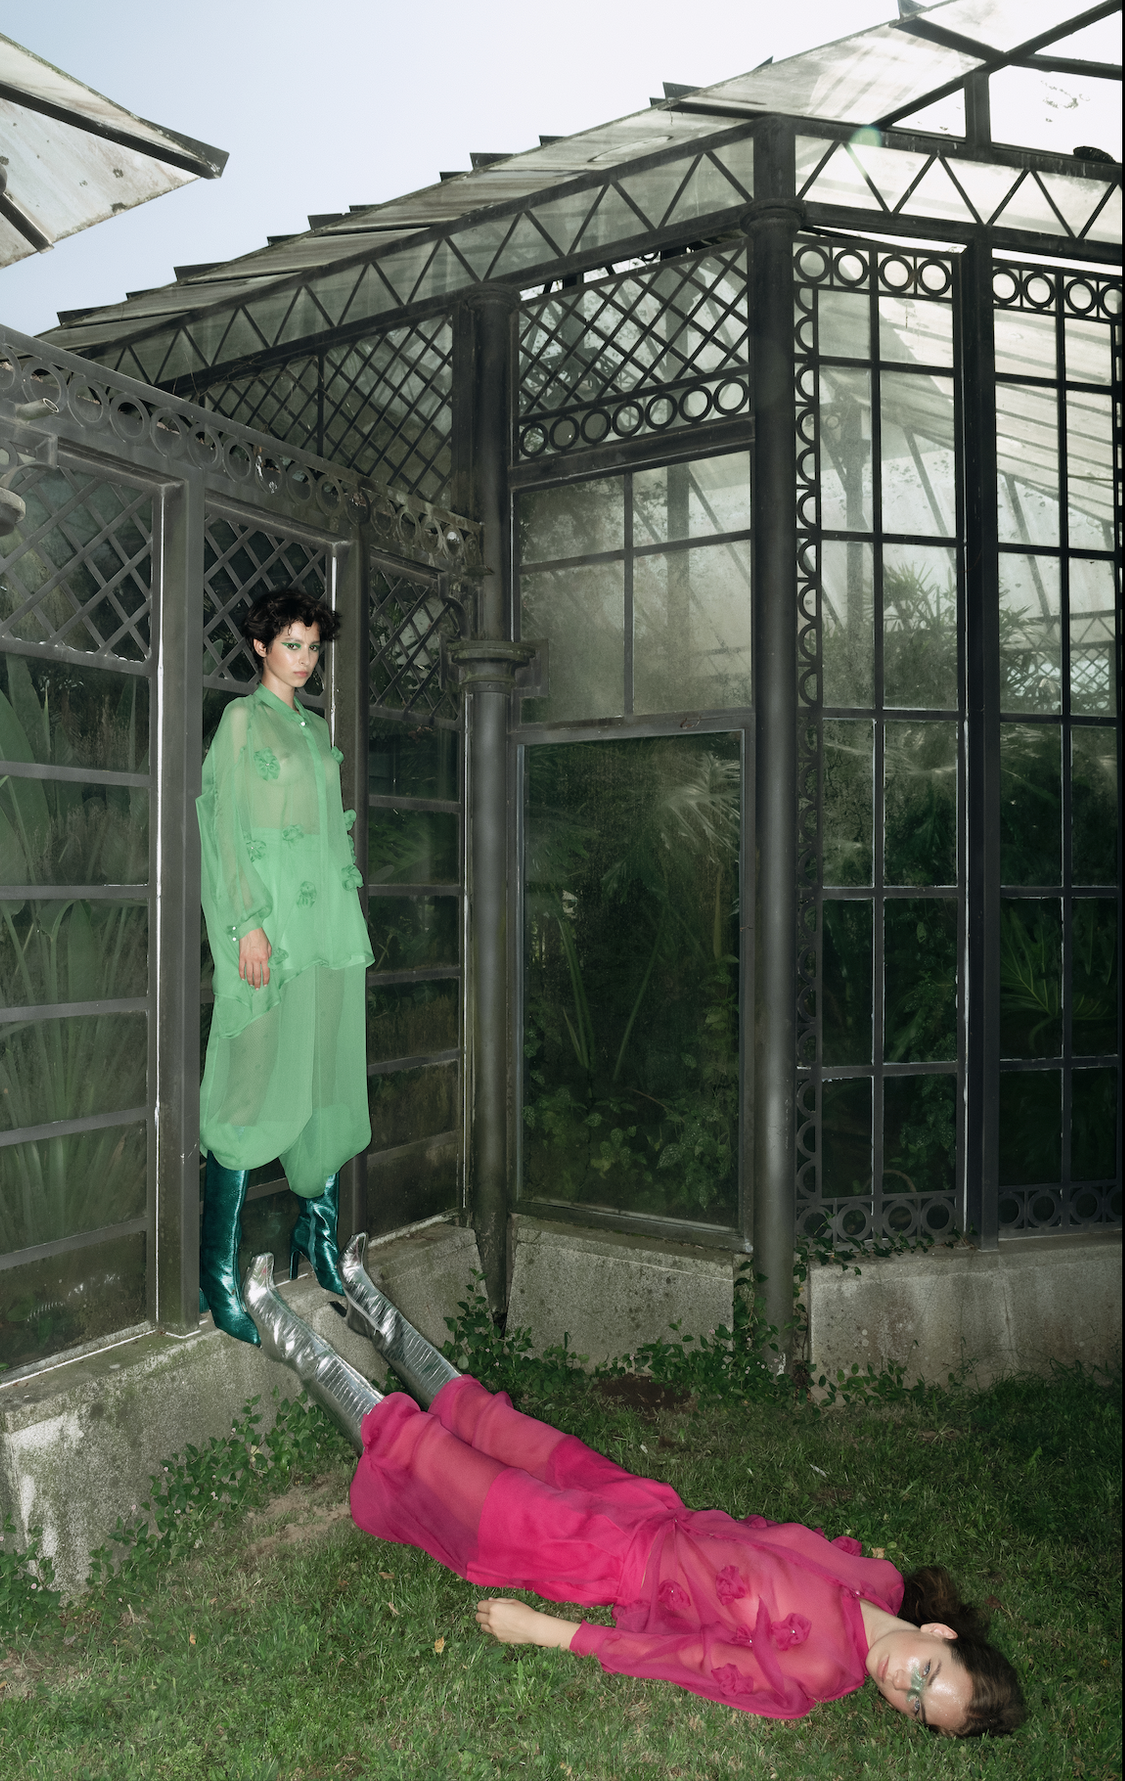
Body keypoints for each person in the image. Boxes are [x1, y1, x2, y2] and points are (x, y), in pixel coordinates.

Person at [240, 1242, 1026, 1738]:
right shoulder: (874, 1576)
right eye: (926, 1677)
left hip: (606, 1561)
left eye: (916, 1709)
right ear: (940, 1636)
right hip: (646, 1508)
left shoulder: (817, 1676)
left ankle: (289, 1341)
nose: (901, 1686)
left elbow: (680, 1656)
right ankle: (366, 1305)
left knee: (441, 1465)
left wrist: (544, 1631)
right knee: (490, 1423)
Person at [197, 589, 373, 1344]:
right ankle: (217, 1273)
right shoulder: (242, 721)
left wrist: (342, 916)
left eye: (312, 648)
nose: (303, 660)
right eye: (291, 645)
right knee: (248, 1087)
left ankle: (319, 1237)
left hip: (325, 933)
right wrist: (246, 924)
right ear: (261, 647)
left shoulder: (316, 729)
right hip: (269, 937)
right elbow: (222, 825)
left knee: (325, 1074)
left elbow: (328, 836)